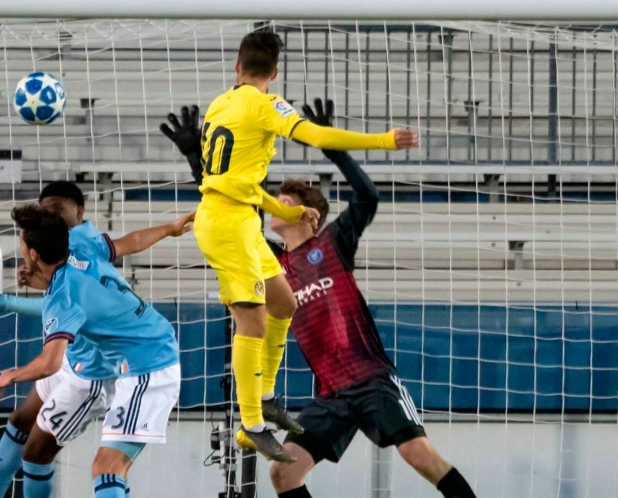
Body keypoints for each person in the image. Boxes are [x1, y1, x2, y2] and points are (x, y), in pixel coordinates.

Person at [164, 98, 475, 498]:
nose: (277, 206)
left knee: (419, 456)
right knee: (284, 473)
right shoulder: (271, 262)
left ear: (309, 213)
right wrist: (196, 156)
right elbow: (226, 205)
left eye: (287, 202)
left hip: (372, 380)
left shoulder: (333, 243)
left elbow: (367, 197)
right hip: (330, 393)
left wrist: (332, 148)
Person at [161, 30, 418, 461]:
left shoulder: (220, 105)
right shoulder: (265, 105)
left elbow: (228, 183)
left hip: (239, 217)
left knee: (283, 304)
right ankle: (250, 425)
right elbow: (315, 136)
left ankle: (262, 398)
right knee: (252, 324)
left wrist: (296, 214)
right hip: (227, 227)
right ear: (275, 72)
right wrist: (383, 141)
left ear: (237, 66)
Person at [0, 181, 193, 498]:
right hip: (124, 354)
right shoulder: (80, 247)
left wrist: (14, 374)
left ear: (33, 253)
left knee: (96, 465)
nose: (49, 214)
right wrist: (170, 228)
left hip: (129, 366)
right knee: (25, 424)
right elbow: (129, 243)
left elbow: (50, 360)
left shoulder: (63, 292)